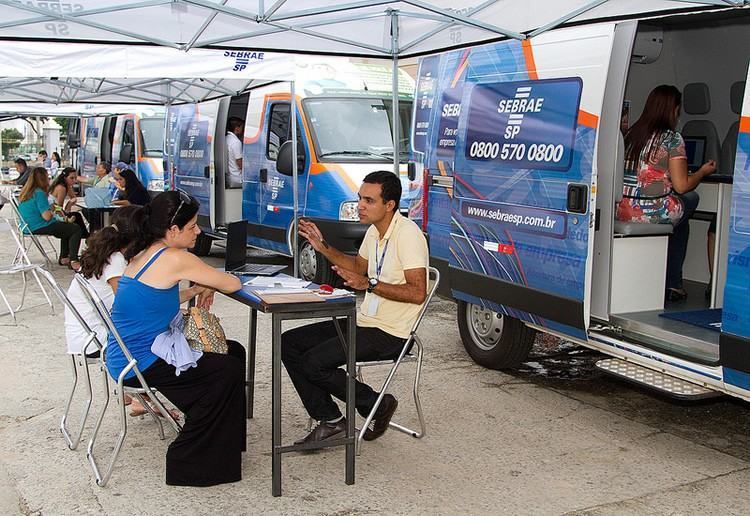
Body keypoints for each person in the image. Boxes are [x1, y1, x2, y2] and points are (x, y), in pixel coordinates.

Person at [108, 191, 245, 486]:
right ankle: (190, 459)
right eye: (192, 226)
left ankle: (227, 444)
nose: (198, 231)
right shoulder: (176, 258)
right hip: (141, 361)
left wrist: (201, 287)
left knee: (233, 352)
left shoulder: (145, 250)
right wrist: (210, 282)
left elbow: (160, 296)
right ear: (173, 230)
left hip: (126, 353)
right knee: (227, 368)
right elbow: (233, 282)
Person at [282, 170, 429, 445]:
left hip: (392, 332)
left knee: (313, 363)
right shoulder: (375, 231)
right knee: (288, 342)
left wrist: (369, 285)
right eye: (360, 198)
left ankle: (372, 405)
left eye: (369, 201)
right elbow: (358, 267)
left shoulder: (408, 235)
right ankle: (335, 419)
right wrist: (322, 247)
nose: (360, 205)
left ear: (390, 205)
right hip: (366, 321)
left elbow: (417, 292)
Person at [616, 85, 716, 301]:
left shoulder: (632, 133)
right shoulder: (672, 139)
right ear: (673, 109)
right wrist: (701, 172)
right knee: (690, 200)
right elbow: (682, 186)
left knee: (680, 221)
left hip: (623, 208)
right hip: (651, 212)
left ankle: (674, 282)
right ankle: (674, 284)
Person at [63, 205, 146, 416]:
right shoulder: (116, 261)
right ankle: (140, 396)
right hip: (94, 341)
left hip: (82, 335)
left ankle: (130, 392)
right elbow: (129, 305)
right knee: (154, 337)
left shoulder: (103, 253)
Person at [16, 167, 82, 270]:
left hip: (26, 226)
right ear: (43, 179)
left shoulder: (26, 192)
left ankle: (65, 257)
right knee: (75, 229)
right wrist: (52, 211)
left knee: (67, 228)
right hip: (39, 225)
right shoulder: (39, 193)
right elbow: (46, 217)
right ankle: (73, 260)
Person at [49, 167, 89, 239]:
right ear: (65, 178)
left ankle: (86, 236)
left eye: (75, 178)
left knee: (76, 216)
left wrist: (71, 202)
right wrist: (68, 206)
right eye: (71, 178)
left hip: (56, 211)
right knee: (77, 216)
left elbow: (73, 198)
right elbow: (58, 207)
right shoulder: (61, 188)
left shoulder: (66, 186)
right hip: (53, 213)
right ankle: (86, 236)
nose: (74, 180)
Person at [225, 117, 244, 188]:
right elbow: (239, 161)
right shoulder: (236, 142)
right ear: (237, 128)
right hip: (237, 177)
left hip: (229, 176)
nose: (243, 130)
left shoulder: (226, 138)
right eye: (242, 127)